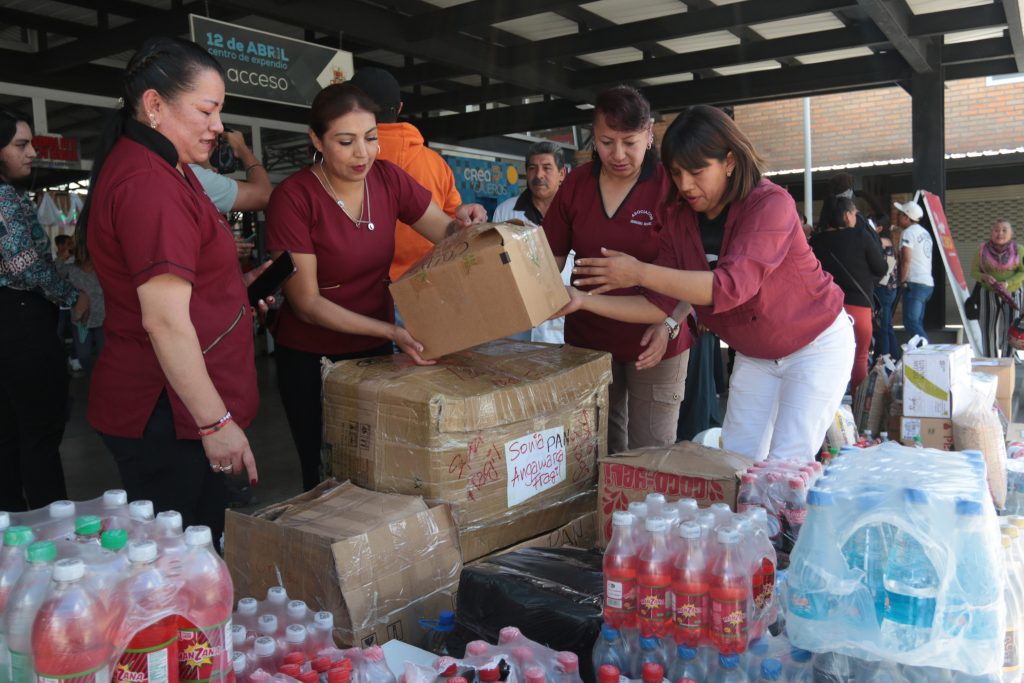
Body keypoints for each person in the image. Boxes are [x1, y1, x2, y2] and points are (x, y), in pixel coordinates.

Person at [567, 105, 854, 463]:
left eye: (697, 171)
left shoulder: (770, 204)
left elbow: (731, 287)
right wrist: (582, 300)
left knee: (786, 465)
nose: (685, 184)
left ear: (730, 161)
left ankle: (789, 518)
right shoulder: (677, 217)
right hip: (756, 354)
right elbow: (658, 303)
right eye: (676, 173)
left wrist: (638, 272)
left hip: (815, 346)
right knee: (736, 462)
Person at [75, 37, 269, 543]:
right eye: (207, 110)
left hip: (172, 405)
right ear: (154, 105)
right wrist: (215, 423)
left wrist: (235, 289)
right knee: (183, 559)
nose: (218, 125)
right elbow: (163, 319)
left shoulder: (168, 169)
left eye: (219, 111)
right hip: (165, 413)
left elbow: (184, 284)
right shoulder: (149, 184)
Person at [265, 83, 486, 492]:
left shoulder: (386, 179)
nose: (362, 154)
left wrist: (465, 224)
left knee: (377, 466)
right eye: (345, 142)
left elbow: (446, 231)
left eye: (370, 139)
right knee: (325, 473)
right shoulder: (294, 198)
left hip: (375, 354)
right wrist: (391, 332)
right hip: (313, 359)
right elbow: (307, 302)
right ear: (316, 139)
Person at [543, 85, 690, 454]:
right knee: (595, 451)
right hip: (589, 342)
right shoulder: (576, 183)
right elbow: (549, 258)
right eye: (607, 142)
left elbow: (698, 274)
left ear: (650, 133)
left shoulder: (670, 187)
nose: (618, 154)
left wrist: (672, 323)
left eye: (630, 142)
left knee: (651, 455)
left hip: (656, 339)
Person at [0, 107, 88, 511]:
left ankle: (13, 527)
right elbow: (23, 264)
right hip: (22, 321)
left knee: (9, 432)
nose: (32, 152)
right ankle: (52, 526)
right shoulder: (5, 196)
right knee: (39, 431)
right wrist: (72, 297)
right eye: (21, 145)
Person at [348, 67, 464, 283]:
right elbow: (455, 224)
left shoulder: (345, 162)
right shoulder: (436, 164)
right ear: (400, 107)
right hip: (425, 286)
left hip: (361, 290)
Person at [493, 140, 571, 343]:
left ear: (562, 174)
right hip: (518, 320)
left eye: (547, 168)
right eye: (532, 168)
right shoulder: (505, 211)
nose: (538, 176)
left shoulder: (575, 211)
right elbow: (495, 262)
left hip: (564, 320)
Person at [810, 196, 886, 394]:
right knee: (859, 357)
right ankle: (858, 410)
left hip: (827, 311)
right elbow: (881, 267)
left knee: (827, 359)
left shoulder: (816, 242)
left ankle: (828, 411)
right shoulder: (861, 236)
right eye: (854, 213)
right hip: (859, 309)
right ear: (846, 215)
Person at [972, 219, 1024, 357]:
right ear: (991, 232)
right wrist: (984, 277)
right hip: (988, 293)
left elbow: (1022, 272)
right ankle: (991, 362)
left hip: (1012, 294)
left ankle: (1008, 362)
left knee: (1011, 329)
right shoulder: (982, 249)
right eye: (996, 230)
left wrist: (1008, 282)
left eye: (1004, 230)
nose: (1000, 233)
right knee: (988, 329)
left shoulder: (1019, 250)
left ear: (1011, 233)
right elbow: (974, 272)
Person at [895, 199, 933, 342]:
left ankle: (927, 353)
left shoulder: (908, 233)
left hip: (914, 283)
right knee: (917, 322)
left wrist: (902, 281)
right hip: (927, 283)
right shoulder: (925, 233)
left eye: (900, 214)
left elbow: (906, 260)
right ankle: (922, 356)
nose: (898, 217)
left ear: (906, 217)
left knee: (911, 322)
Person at [872, 217, 901, 360]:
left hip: (882, 289)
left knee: (882, 327)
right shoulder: (890, 242)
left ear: (879, 228)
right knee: (888, 327)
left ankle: (883, 360)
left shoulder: (880, 242)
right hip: (891, 289)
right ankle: (894, 358)